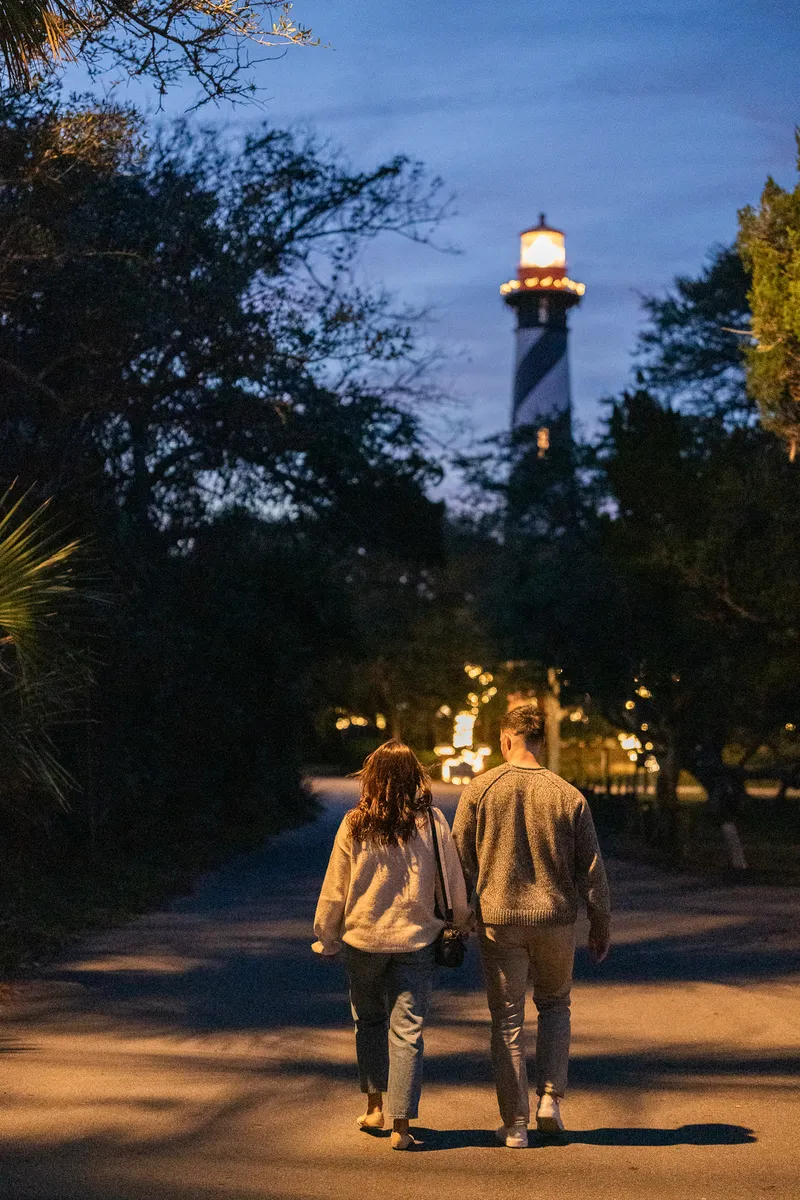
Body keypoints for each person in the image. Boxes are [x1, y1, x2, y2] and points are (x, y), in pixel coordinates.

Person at [452, 703, 611, 1148]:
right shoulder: (568, 795)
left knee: (506, 1019)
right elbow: (592, 868)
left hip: (499, 921)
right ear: (541, 741)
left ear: (505, 740)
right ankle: (550, 1100)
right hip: (556, 919)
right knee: (556, 1005)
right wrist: (600, 922)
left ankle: (515, 1124)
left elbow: (459, 859)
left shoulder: (480, 791)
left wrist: (458, 915)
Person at [313, 739, 470, 1149]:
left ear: (373, 778)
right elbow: (451, 881)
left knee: (368, 1022)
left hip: (363, 940)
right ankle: (402, 1127)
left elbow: (335, 887)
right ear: (414, 776)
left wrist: (326, 937)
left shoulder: (354, 823)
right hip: (415, 941)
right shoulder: (432, 822)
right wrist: (460, 921)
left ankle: (374, 1107)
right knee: (408, 1031)